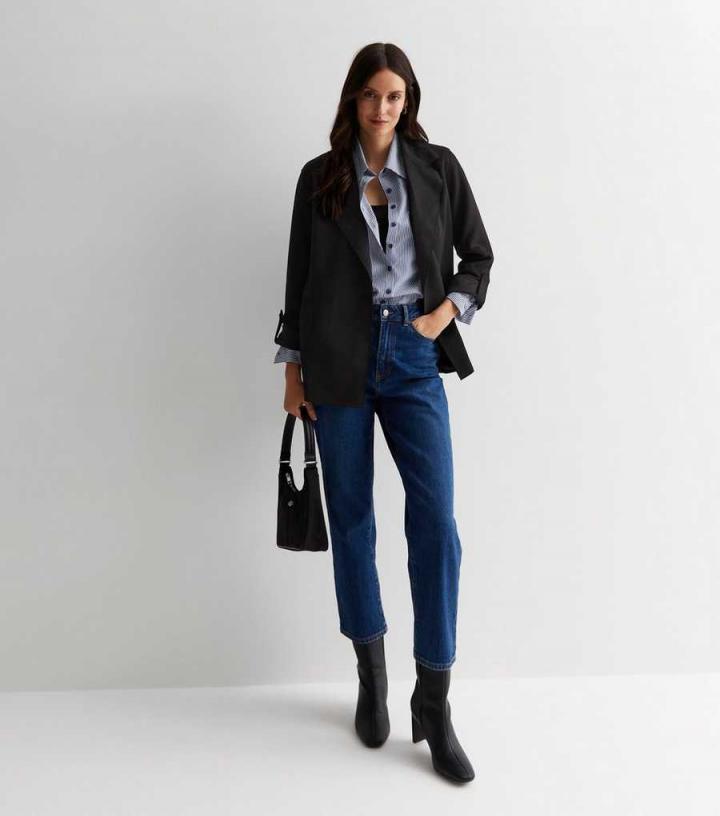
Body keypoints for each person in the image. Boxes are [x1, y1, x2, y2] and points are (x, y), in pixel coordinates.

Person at [273, 42, 494, 783]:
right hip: (336, 360)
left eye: (394, 96)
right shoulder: (320, 177)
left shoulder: (437, 169)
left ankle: (434, 700)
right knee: (353, 520)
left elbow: (478, 259)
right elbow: (299, 280)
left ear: (409, 101)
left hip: (413, 358)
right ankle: (372, 678)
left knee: (436, 526)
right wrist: (292, 372)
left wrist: (438, 318)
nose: (382, 108)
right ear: (353, 99)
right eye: (371, 95)